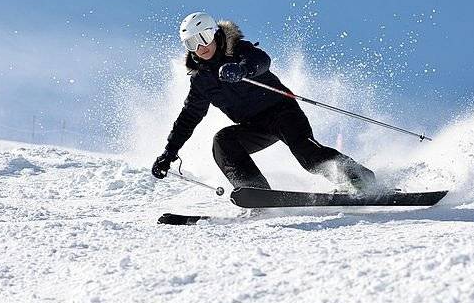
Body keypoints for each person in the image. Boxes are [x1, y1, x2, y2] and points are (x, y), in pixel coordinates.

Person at [151, 12, 376, 193]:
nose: (200, 47)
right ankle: (254, 190)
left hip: (282, 112)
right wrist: (169, 154)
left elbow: (261, 60)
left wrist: (242, 69)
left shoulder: (237, 50)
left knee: (308, 157)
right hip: (253, 126)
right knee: (223, 141)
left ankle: (363, 180)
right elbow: (188, 118)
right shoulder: (201, 81)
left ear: (215, 33)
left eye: (203, 37)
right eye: (191, 43)